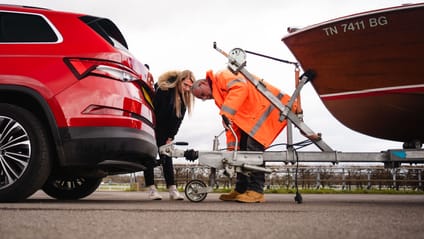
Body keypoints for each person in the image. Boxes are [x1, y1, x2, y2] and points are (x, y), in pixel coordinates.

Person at [191, 69, 297, 203]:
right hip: (254, 117)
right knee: (241, 150)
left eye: (202, 94)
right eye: (201, 99)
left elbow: (240, 87)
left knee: (253, 151)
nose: (205, 98)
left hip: (267, 110)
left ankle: (256, 191)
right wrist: (231, 151)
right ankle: (241, 189)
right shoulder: (219, 93)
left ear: (203, 83)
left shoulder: (222, 76)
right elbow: (232, 124)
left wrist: (226, 114)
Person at [145, 70, 195, 200]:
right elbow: (154, 110)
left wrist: (171, 136)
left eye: (190, 86)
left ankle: (172, 189)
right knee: (149, 157)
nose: (187, 88)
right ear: (179, 81)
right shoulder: (164, 91)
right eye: (185, 85)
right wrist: (151, 130)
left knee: (167, 158)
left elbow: (178, 120)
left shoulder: (185, 99)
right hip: (153, 128)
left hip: (166, 133)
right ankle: (151, 188)